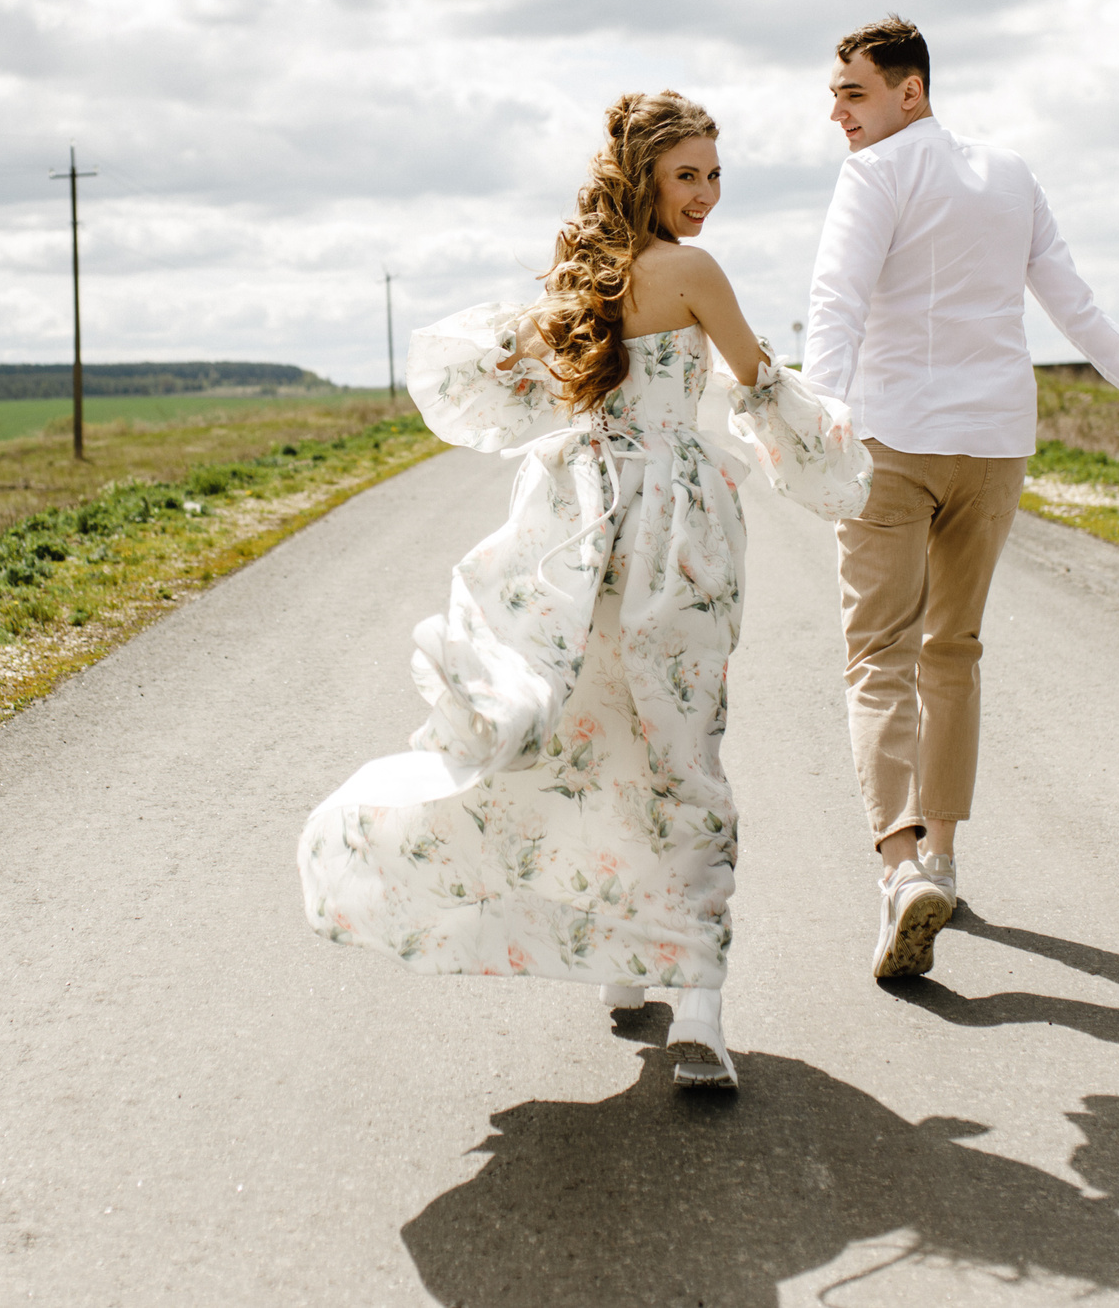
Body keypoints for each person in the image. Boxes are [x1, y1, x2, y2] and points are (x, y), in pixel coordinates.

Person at [299, 90, 873, 1091]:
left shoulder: (582, 278)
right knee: (680, 743)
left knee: (592, 729)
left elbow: (504, 386)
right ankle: (695, 999)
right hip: (675, 527)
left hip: (573, 515)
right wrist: (831, 459)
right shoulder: (692, 272)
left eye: (713, 173)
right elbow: (758, 387)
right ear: (644, 174)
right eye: (688, 173)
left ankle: (624, 964)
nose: (706, 193)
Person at [805, 17, 1119, 982]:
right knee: (953, 650)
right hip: (992, 448)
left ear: (911, 91)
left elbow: (836, 301)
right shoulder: (1012, 173)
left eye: (854, 92)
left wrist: (815, 420)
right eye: (835, 95)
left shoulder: (875, 176)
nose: (838, 113)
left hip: (893, 443)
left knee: (877, 657)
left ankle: (903, 870)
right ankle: (941, 853)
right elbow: (1074, 302)